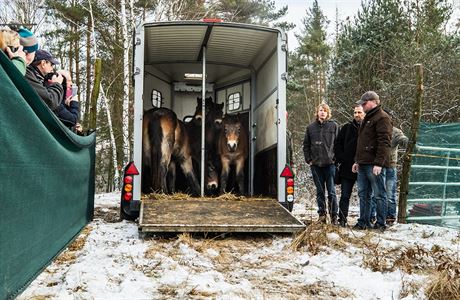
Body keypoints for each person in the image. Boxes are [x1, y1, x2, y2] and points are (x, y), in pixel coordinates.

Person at [352, 91, 392, 231]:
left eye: (364, 103)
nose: (362, 106)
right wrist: (357, 161)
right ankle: (364, 221)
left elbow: (384, 142)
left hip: (374, 165)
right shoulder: (367, 118)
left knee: (379, 194)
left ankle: (381, 223)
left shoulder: (382, 118)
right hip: (363, 164)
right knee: (363, 194)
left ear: (373, 102)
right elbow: (361, 142)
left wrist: (379, 163)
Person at [303, 103, 339, 224]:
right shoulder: (310, 127)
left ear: (328, 113)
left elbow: (338, 144)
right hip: (316, 165)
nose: (322, 112)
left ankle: (334, 216)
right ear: (317, 112)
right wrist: (309, 160)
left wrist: (335, 159)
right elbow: (306, 145)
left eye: (325, 110)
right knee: (320, 192)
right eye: (320, 110)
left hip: (330, 164)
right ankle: (322, 215)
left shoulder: (333, 126)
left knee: (332, 191)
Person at [334, 104, 365, 227]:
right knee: (345, 195)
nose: (357, 115)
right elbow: (337, 144)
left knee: (365, 195)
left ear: (364, 113)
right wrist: (343, 158)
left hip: (363, 167)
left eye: (359, 112)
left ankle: (366, 220)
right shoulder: (346, 128)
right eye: (355, 113)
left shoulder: (368, 129)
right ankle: (342, 219)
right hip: (347, 168)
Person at [370, 127, 408, 225]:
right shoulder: (374, 129)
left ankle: (390, 216)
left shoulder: (395, 131)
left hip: (390, 166)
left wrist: (409, 142)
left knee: (390, 193)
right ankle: (372, 215)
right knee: (375, 192)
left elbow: (402, 139)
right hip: (376, 165)